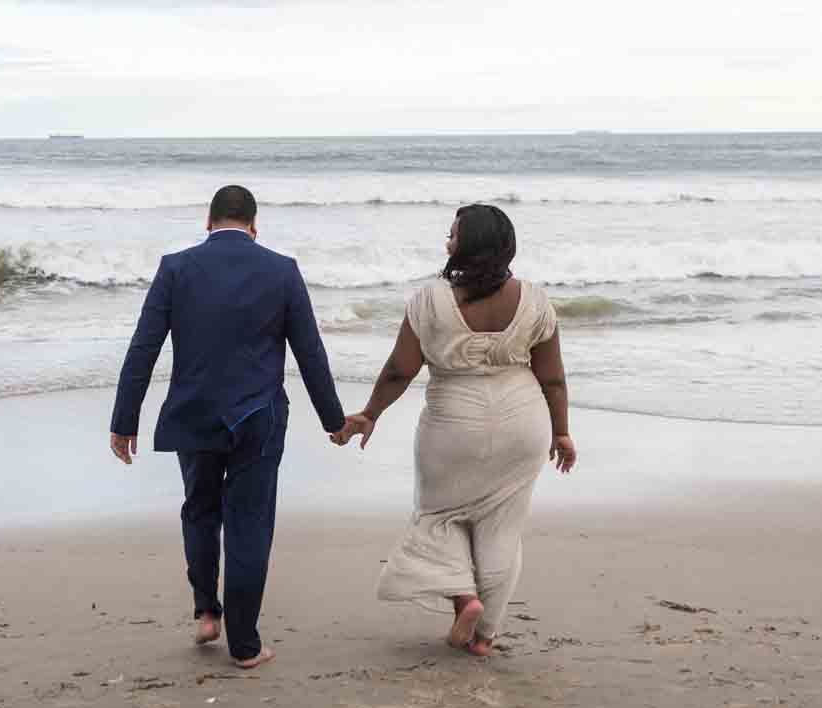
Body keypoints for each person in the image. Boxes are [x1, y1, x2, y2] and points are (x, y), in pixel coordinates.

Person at [110, 184, 345, 669]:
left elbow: (143, 347)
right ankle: (244, 644)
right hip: (257, 418)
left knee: (199, 509)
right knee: (249, 523)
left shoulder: (175, 268)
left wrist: (124, 419)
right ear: (255, 227)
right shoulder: (282, 271)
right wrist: (333, 421)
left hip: (194, 414)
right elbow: (310, 353)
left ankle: (205, 611)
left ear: (208, 222)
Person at [332, 203, 575, 657]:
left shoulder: (430, 301)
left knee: (439, 515)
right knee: (501, 529)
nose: (447, 241)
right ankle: (484, 637)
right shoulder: (537, 302)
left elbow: (399, 371)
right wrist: (561, 432)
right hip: (523, 424)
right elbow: (554, 378)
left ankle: (465, 600)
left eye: (453, 234)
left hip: (452, 424)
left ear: (467, 245)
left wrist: (370, 413)